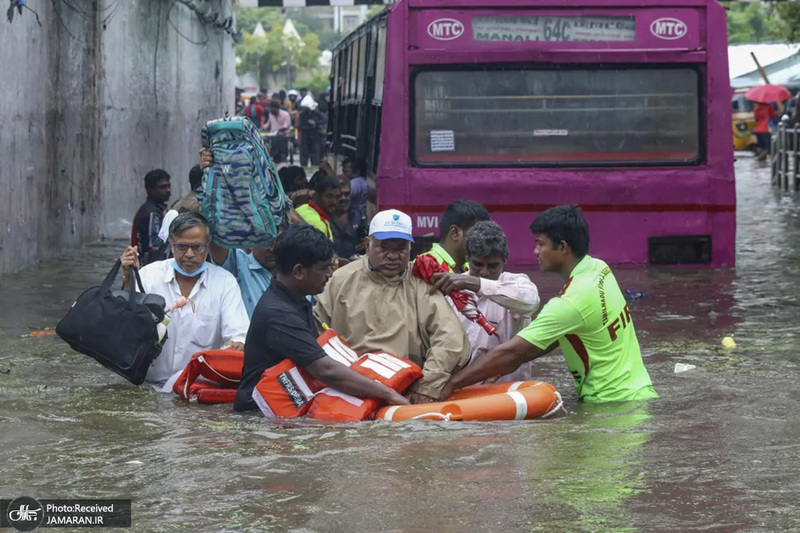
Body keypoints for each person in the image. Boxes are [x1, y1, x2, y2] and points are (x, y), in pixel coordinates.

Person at [443, 205, 658, 403]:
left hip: (609, 403)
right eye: (477, 265)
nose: (535, 251)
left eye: (540, 244)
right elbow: (553, 336)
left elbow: (513, 353)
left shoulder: (568, 303)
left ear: (562, 247)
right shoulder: (599, 269)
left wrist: (452, 384)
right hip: (637, 391)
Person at [234, 225, 409, 412]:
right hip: (259, 413)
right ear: (299, 271)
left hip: (285, 405)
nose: (329, 274)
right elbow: (326, 370)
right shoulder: (279, 313)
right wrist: (388, 393)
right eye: (324, 268)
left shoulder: (296, 297)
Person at [315, 209, 471, 403]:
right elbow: (315, 332)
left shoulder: (421, 283)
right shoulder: (340, 280)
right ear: (367, 244)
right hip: (348, 389)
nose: (393, 256)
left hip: (405, 392)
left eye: (401, 248)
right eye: (384, 248)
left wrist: (428, 385)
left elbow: (450, 339)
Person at [120, 212, 250, 388]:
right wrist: (128, 279)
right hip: (145, 386)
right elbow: (125, 325)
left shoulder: (225, 283)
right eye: (182, 247)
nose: (189, 254)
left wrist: (236, 345)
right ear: (171, 245)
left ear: (208, 245)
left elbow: (238, 334)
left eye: (198, 247)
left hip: (196, 389)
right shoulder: (148, 275)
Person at [429, 221, 540, 382]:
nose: (484, 272)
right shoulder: (450, 287)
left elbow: (531, 302)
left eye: (493, 266)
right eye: (478, 264)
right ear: (467, 257)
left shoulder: (516, 283)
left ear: (505, 260)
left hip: (505, 392)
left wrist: (475, 283)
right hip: (459, 387)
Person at [420, 200, 490, 273]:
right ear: (455, 233)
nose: (482, 243)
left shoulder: (469, 266)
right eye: (477, 236)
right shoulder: (425, 264)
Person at [132, 169, 172, 266]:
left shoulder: (150, 209)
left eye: (168, 186)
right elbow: (154, 247)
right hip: (148, 266)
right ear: (150, 189)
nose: (168, 190)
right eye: (162, 187)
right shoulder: (152, 213)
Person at [330, 176, 367, 261]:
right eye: (339, 195)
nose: (343, 198)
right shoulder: (322, 218)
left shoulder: (359, 216)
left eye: (347, 194)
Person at [295, 174, 341, 241]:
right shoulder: (319, 223)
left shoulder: (301, 208)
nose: (334, 201)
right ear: (317, 195)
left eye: (337, 197)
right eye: (329, 196)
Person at [298, 95, 325, 167]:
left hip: (316, 138)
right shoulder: (302, 115)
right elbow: (300, 126)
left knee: (315, 156)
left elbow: (324, 121)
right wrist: (310, 126)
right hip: (305, 137)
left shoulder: (318, 114)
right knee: (304, 156)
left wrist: (316, 124)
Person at [343, 157, 368, 221]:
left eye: (346, 171)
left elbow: (341, 195)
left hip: (354, 217)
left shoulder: (355, 183)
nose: (343, 174)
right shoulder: (363, 181)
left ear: (356, 172)